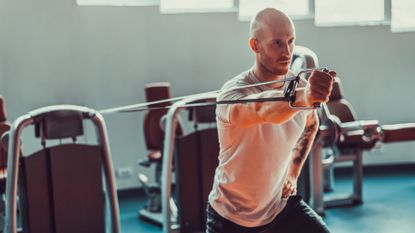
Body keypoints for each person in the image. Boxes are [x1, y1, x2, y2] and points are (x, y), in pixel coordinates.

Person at [206, 8, 335, 233]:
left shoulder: (299, 87)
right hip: (231, 218)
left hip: (279, 209)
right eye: (277, 43)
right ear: (255, 46)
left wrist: (293, 173)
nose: (287, 51)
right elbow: (264, 109)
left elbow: (311, 125)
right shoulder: (232, 94)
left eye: (291, 41)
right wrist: (303, 98)